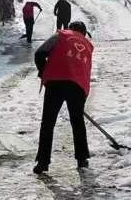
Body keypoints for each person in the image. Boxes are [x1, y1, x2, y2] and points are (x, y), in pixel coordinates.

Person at [33, 20, 93, 174]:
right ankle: (82, 159)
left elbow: (39, 53)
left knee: (48, 122)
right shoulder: (88, 45)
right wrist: (83, 96)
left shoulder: (60, 35)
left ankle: (43, 162)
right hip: (78, 85)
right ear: (84, 33)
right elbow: (86, 70)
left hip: (56, 82)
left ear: (70, 28)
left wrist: (44, 71)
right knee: (77, 122)